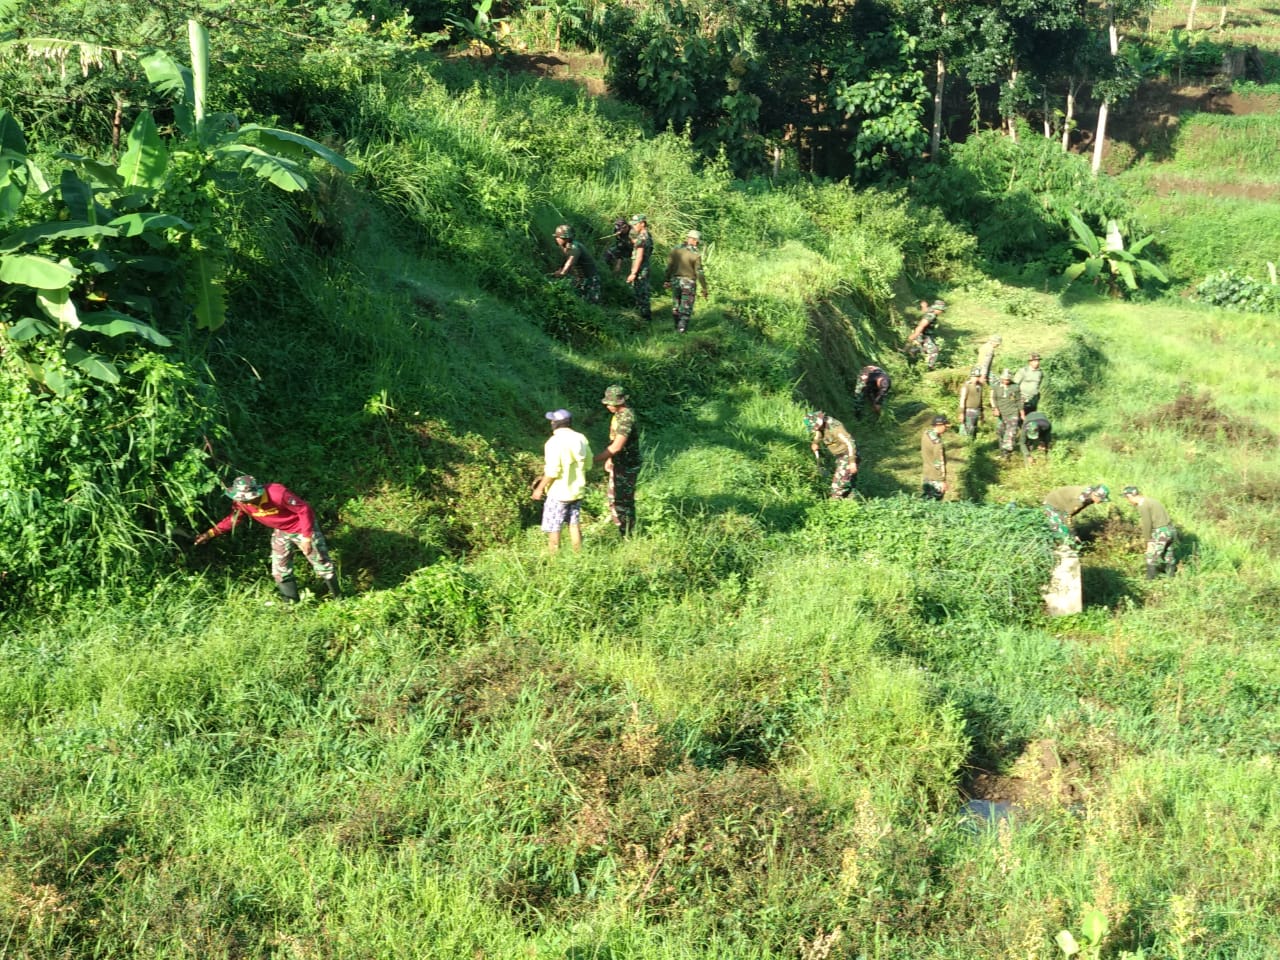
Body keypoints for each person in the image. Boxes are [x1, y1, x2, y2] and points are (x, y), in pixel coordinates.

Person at [194, 475, 340, 603]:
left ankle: (338, 599)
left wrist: (307, 538)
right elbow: (233, 519)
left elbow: (304, 510)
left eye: (250, 499)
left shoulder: (277, 493)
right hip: (282, 531)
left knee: (320, 562)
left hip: (300, 528)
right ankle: (291, 605)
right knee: (279, 569)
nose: (247, 503)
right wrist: (210, 533)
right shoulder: (241, 503)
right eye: (242, 500)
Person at [531, 408, 593, 553]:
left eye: (552, 421)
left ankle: (554, 561)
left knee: (554, 527)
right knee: (574, 524)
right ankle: (579, 556)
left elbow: (553, 471)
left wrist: (539, 489)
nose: (551, 423)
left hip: (558, 493)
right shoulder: (581, 438)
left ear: (556, 424)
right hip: (577, 491)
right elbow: (588, 464)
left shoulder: (553, 442)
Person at [594, 385, 640, 537]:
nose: (607, 406)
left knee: (622, 500)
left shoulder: (626, 417)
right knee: (616, 497)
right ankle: (624, 530)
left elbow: (617, 446)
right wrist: (610, 459)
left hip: (627, 463)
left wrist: (595, 459)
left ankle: (627, 534)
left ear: (618, 403)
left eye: (610, 403)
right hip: (619, 462)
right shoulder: (619, 415)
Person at [1123, 485, 1177, 579]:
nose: (1128, 501)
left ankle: (1150, 581)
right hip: (1171, 530)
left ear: (1130, 496)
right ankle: (1171, 578)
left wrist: (1148, 541)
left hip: (1162, 532)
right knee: (1169, 556)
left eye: (1127, 498)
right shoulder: (1152, 501)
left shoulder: (1143, 505)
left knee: (1151, 557)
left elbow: (1147, 524)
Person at [804, 410, 859, 499]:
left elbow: (850, 443)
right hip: (840, 456)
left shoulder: (836, 428)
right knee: (847, 482)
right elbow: (819, 433)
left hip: (847, 455)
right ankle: (851, 503)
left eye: (816, 426)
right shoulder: (822, 426)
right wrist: (816, 442)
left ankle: (834, 504)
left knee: (837, 486)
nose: (816, 429)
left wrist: (852, 462)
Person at [663, 229, 710, 333]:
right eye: (697, 241)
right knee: (686, 306)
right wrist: (704, 288)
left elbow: (669, 266)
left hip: (675, 281)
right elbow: (699, 272)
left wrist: (666, 280)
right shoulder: (695, 254)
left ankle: (676, 326)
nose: (697, 243)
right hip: (688, 283)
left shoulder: (675, 249)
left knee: (676, 304)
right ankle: (681, 329)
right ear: (693, 240)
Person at [1042, 484, 1109, 543]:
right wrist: (1073, 533)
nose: (1101, 501)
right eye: (1101, 499)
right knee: (1061, 532)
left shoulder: (1089, 495)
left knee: (1064, 529)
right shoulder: (1080, 500)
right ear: (1095, 495)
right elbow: (1067, 515)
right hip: (1053, 505)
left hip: (1063, 507)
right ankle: (1057, 550)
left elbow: (1071, 512)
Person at [551, 224, 600, 303]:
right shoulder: (567, 246)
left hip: (590, 280)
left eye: (557, 237)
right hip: (580, 278)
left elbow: (569, 264)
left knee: (589, 304)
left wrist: (562, 273)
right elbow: (565, 263)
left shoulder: (574, 248)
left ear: (565, 239)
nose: (556, 239)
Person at [625, 213, 654, 323]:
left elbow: (639, 256)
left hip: (640, 269)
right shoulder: (647, 236)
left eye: (636, 224)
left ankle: (645, 319)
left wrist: (633, 273)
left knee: (641, 294)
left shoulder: (642, 238)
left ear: (642, 224)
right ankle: (644, 318)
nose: (634, 227)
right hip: (644, 268)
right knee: (643, 292)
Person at [990, 368, 1022, 461]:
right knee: (1000, 432)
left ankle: (1006, 454)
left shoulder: (1015, 387)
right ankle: (1003, 453)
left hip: (1013, 413)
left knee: (1010, 433)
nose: (1006, 381)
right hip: (1001, 413)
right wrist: (994, 408)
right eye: (1004, 379)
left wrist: (1021, 412)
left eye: (1008, 379)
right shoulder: (996, 386)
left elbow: (1019, 400)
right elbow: (992, 398)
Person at [908, 299, 945, 370]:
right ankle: (929, 367)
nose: (941, 312)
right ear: (937, 309)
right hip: (923, 335)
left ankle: (912, 353)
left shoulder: (931, 311)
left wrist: (924, 306)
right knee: (934, 350)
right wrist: (915, 334)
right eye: (941, 310)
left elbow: (925, 310)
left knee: (923, 348)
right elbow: (921, 325)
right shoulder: (931, 315)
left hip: (926, 335)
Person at [920, 414, 951, 500]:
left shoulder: (926, 435)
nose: (946, 428)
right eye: (945, 425)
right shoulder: (938, 444)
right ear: (939, 425)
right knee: (934, 502)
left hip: (926, 475)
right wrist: (942, 481)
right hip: (935, 478)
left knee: (926, 499)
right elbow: (939, 462)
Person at [958, 367, 984, 439]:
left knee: (974, 430)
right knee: (967, 430)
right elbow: (962, 400)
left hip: (977, 410)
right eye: (975, 377)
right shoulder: (966, 386)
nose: (977, 378)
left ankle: (973, 444)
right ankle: (966, 444)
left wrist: (982, 412)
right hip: (968, 411)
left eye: (978, 377)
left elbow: (980, 399)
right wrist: (961, 413)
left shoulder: (979, 386)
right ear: (971, 376)